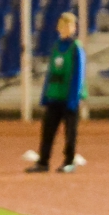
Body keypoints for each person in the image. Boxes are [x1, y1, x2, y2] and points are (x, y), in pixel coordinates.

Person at [26, 12, 87, 174]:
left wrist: (74, 98)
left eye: (70, 26)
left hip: (69, 98)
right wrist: (46, 95)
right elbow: (51, 73)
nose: (66, 29)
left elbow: (78, 74)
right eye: (63, 25)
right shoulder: (56, 46)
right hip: (54, 96)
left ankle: (69, 161)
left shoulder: (76, 48)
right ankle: (43, 162)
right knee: (47, 130)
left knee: (70, 133)